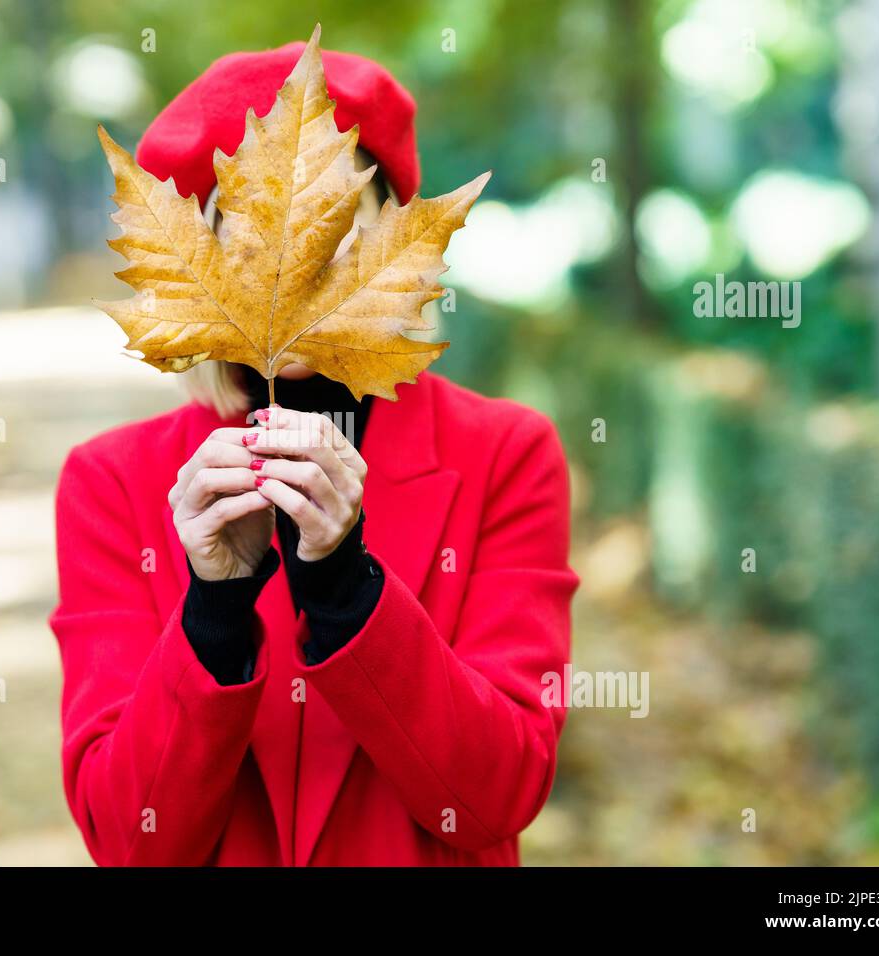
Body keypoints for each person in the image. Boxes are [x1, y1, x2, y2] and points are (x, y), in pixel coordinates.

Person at [50, 37, 579, 866]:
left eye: (335, 220)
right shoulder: (111, 483)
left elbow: (500, 797)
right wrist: (212, 615)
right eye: (243, 228)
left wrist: (348, 589)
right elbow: (129, 841)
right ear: (196, 259)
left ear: (395, 251)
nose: (293, 256)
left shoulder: (506, 454)